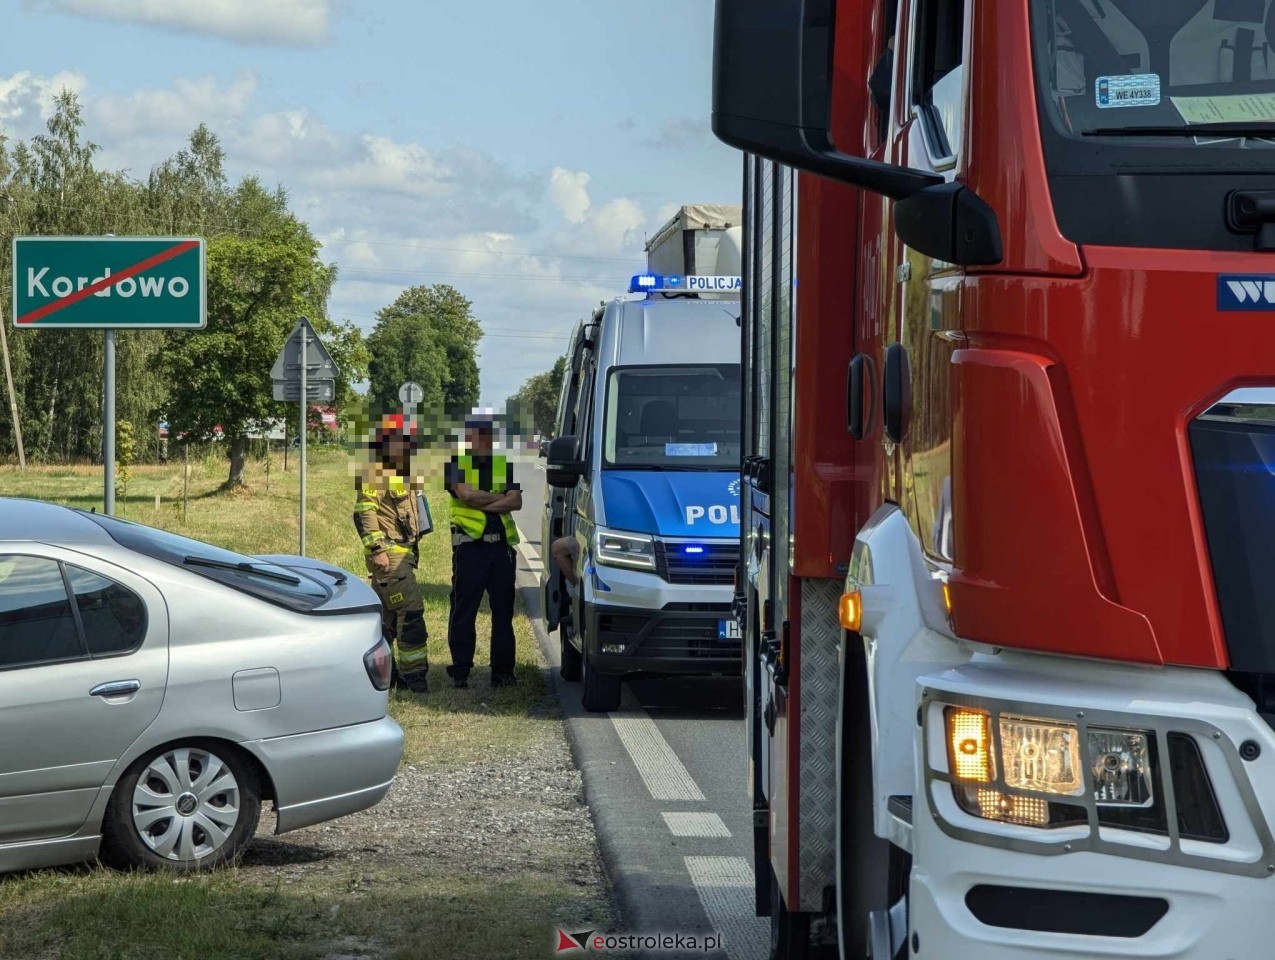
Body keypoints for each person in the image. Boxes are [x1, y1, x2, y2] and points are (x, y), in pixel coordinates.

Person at [353, 414, 429, 694]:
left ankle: (387, 675)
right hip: (390, 557)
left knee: (387, 620)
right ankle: (415, 677)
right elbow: (364, 512)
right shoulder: (376, 470)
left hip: (403, 553)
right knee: (410, 615)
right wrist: (377, 550)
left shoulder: (403, 470)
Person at [445, 416, 521, 689]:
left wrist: (485, 498)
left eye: (487, 436)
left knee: (503, 611)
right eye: (476, 435)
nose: (482, 441)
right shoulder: (456, 464)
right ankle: (461, 670)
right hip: (470, 548)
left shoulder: (503, 465)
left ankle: (502, 672)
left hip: (500, 548)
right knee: (465, 610)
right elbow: (466, 495)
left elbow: (517, 501)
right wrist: (499, 499)